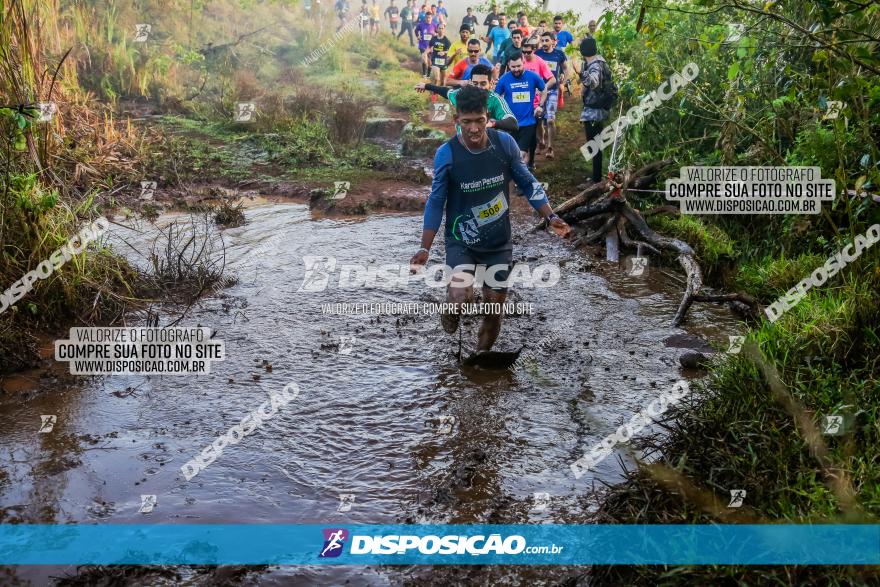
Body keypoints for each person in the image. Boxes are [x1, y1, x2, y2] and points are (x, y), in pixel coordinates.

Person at [410, 84, 570, 352]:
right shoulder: (446, 154)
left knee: (494, 309)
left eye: (480, 121)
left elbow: (528, 183)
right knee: (461, 296)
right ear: (456, 121)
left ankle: (481, 358)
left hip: (498, 242)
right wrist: (425, 247)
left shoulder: (504, 144)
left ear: (488, 117)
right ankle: (451, 308)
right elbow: (436, 201)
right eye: (467, 122)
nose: (474, 128)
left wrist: (550, 215)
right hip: (461, 240)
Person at [414, 64, 518, 133]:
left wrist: (492, 123)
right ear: (470, 82)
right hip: (462, 145)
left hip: (486, 147)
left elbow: (513, 123)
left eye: (483, 83)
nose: (478, 87)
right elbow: (447, 92)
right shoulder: (462, 94)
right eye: (475, 83)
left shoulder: (495, 100)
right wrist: (426, 86)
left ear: (491, 84)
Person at [495, 51, 552, 170]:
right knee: (512, 153)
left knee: (520, 155)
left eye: (518, 66)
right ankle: (525, 169)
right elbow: (496, 97)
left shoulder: (532, 76)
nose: (516, 69)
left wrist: (540, 105)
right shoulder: (504, 79)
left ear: (523, 62)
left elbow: (544, 89)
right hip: (511, 123)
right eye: (513, 67)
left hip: (528, 122)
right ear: (509, 66)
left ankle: (521, 177)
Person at [578, 37, 612, 183]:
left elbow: (593, 82)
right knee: (595, 145)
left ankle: (596, 180)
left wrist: (581, 74)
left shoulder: (595, 65)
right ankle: (596, 177)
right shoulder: (599, 61)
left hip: (594, 111)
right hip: (598, 109)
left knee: (594, 145)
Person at [519, 39, 556, 168]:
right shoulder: (519, 61)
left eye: (528, 52)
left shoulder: (539, 61)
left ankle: (531, 158)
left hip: (535, 102)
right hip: (521, 102)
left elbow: (552, 79)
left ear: (533, 50)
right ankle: (528, 158)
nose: (526, 55)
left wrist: (542, 88)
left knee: (534, 128)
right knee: (525, 131)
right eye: (523, 52)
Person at [535, 31, 567, 160]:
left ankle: (550, 147)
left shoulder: (559, 54)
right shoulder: (537, 54)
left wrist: (563, 81)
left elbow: (565, 68)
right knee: (538, 119)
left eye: (546, 40)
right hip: (538, 91)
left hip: (553, 90)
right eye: (542, 41)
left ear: (553, 41)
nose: (543, 43)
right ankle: (541, 141)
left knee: (550, 120)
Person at [429, 22, 452, 86]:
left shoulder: (446, 40)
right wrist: (428, 54)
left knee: (442, 82)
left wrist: (444, 52)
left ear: (444, 30)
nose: (441, 30)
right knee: (437, 79)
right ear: (437, 29)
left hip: (443, 62)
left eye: (442, 28)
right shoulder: (434, 38)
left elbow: (450, 51)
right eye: (440, 28)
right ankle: (434, 94)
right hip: (435, 61)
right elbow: (429, 47)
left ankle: (440, 93)